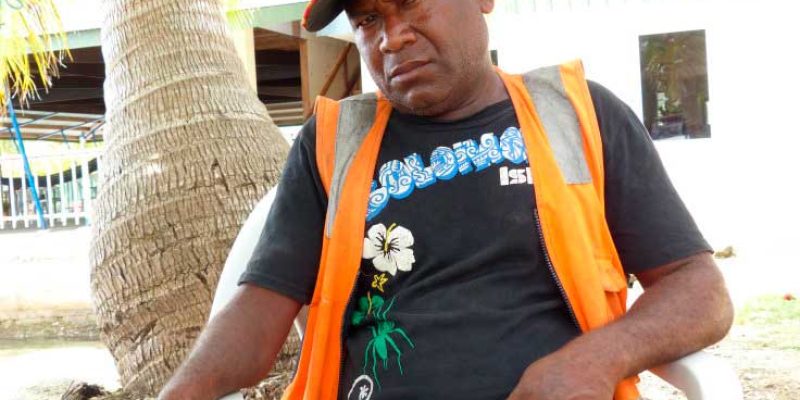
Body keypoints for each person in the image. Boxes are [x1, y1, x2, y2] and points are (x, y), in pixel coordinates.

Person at [160, 1, 733, 399]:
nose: (392, 37)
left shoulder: (580, 116)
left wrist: (596, 359)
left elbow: (699, 290)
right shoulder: (333, 144)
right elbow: (259, 310)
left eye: (411, 3)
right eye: (368, 19)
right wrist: (181, 393)